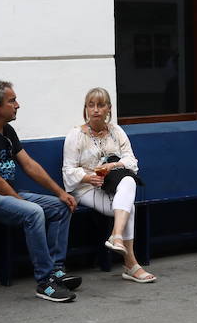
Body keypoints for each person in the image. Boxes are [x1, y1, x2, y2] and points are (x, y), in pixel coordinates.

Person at [0, 80, 81, 302]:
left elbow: (29, 165)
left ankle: (56, 271)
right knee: (33, 212)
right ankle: (45, 283)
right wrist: (22, 203)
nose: (18, 105)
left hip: (6, 195)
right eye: (12, 100)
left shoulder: (7, 131)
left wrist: (60, 192)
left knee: (61, 207)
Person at [62, 88, 156, 283]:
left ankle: (117, 235)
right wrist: (88, 178)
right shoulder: (75, 135)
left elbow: (132, 161)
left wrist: (113, 165)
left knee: (129, 180)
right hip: (86, 188)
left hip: (112, 185)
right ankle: (130, 263)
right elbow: (68, 170)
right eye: (91, 105)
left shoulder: (116, 131)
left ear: (109, 109)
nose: (96, 110)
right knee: (129, 207)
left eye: (101, 105)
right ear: (86, 109)